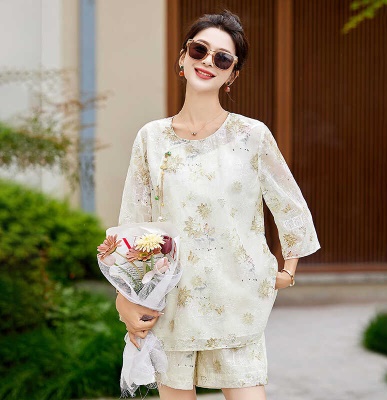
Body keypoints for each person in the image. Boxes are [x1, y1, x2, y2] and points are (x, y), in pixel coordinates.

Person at [116, 10, 320, 400]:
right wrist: (126, 296)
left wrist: (287, 270)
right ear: (183, 57)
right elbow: (135, 223)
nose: (208, 61)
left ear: (232, 75)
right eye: (200, 49)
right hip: (171, 304)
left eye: (222, 58)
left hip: (236, 302)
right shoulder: (151, 138)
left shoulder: (251, 135)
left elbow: (290, 204)